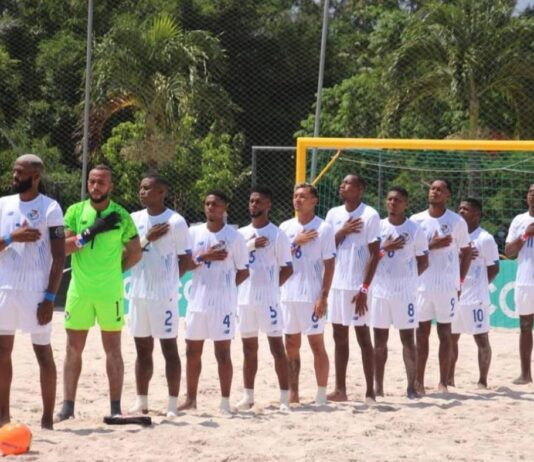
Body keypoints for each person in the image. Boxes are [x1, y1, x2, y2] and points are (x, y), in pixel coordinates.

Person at [55, 165, 142, 421]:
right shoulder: (74, 211)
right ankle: (68, 407)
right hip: (79, 291)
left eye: (101, 182)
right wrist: (93, 230)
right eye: (92, 181)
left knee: (113, 350)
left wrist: (116, 270)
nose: (95, 186)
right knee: (73, 349)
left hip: (109, 292)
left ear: (110, 186)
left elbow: (135, 252)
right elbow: (63, 248)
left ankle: (115, 408)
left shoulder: (122, 216)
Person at [0, 154, 65, 429]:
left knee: (43, 354)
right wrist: (10, 238)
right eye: (14, 171)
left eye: (20, 172)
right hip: (4, 288)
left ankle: (47, 419)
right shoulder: (3, 204)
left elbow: (60, 257)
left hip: (36, 292)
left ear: (35, 176)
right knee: (2, 353)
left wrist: (50, 298)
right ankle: (3, 417)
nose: (15, 176)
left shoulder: (50, 208)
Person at [179, 190, 249, 414]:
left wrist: (226, 288)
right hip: (197, 303)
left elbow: (244, 271)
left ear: (225, 208)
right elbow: (186, 265)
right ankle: (191, 400)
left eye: (216, 204)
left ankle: (225, 402)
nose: (211, 207)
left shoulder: (235, 237)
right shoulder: (193, 232)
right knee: (192, 352)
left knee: (222, 354)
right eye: (208, 203)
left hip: (223, 306)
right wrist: (204, 256)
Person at [127, 175, 192, 417]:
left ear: (161, 192)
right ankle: (141, 401)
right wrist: (147, 238)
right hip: (138, 294)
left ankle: (172, 404)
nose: (142, 192)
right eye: (141, 188)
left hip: (164, 296)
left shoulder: (176, 221)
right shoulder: (134, 218)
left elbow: (185, 259)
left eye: (147, 188)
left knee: (169, 349)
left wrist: (169, 282)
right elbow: (128, 252)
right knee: (142, 349)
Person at [411, 179, 472, 394]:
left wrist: (460, 281)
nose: (434, 192)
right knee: (421, 334)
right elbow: (410, 252)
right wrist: (432, 245)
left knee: (445, 333)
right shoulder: (416, 220)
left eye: (440, 189)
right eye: (432, 188)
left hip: (447, 286)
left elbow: (466, 253)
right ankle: (418, 381)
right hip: (421, 286)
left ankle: (443, 382)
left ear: (448, 195)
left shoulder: (457, 221)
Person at [236, 187, 293, 411]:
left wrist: (270, 288)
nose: (254, 205)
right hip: (245, 300)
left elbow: (287, 268)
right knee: (248, 349)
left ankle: (284, 398)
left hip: (268, 301)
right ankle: (248, 396)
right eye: (251, 201)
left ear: (268, 205)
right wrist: (250, 245)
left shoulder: (277, 234)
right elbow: (233, 262)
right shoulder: (240, 234)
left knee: (277, 349)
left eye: (259, 201)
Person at [325, 175, 381, 403]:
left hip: (358, 286)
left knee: (363, 336)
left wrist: (365, 288)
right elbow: (326, 247)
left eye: (347, 183)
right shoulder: (333, 214)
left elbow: (376, 254)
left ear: (360, 189)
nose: (342, 185)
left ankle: (370, 391)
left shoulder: (370, 215)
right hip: (337, 283)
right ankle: (340, 389)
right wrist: (343, 231)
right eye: (342, 182)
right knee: (339, 336)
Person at [280, 183, 335, 405]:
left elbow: (329, 265)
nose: (298, 199)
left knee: (316, 344)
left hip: (311, 294)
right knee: (291, 345)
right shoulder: (285, 227)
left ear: (314, 201)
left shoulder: (324, 228)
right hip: (288, 294)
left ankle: (321, 394)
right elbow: (278, 258)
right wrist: (295, 241)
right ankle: (293, 394)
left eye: (303, 196)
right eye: (295, 196)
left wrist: (323, 296)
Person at [371, 187, 428, 398]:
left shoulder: (415, 229)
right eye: (390, 199)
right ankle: (378, 387)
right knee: (379, 342)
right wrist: (384, 248)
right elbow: (370, 257)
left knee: (408, 340)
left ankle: (411, 387)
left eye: (397, 200)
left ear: (406, 203)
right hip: (380, 291)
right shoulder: (378, 227)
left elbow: (424, 261)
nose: (393, 203)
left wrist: (409, 279)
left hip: (405, 294)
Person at [449, 199, 499, 389]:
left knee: (481, 338)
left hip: (476, 297)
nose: (461, 211)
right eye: (460, 208)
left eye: (466, 209)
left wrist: (479, 285)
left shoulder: (485, 238)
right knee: (451, 338)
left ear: (476, 214)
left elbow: (494, 268)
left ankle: (482, 381)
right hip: (455, 295)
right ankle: (449, 379)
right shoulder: (453, 236)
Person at [504, 184, 534, 384]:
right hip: (525, 281)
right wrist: (525, 235)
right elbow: (509, 252)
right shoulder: (519, 220)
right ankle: (525, 374)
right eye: (531, 192)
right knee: (525, 326)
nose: (533, 195)